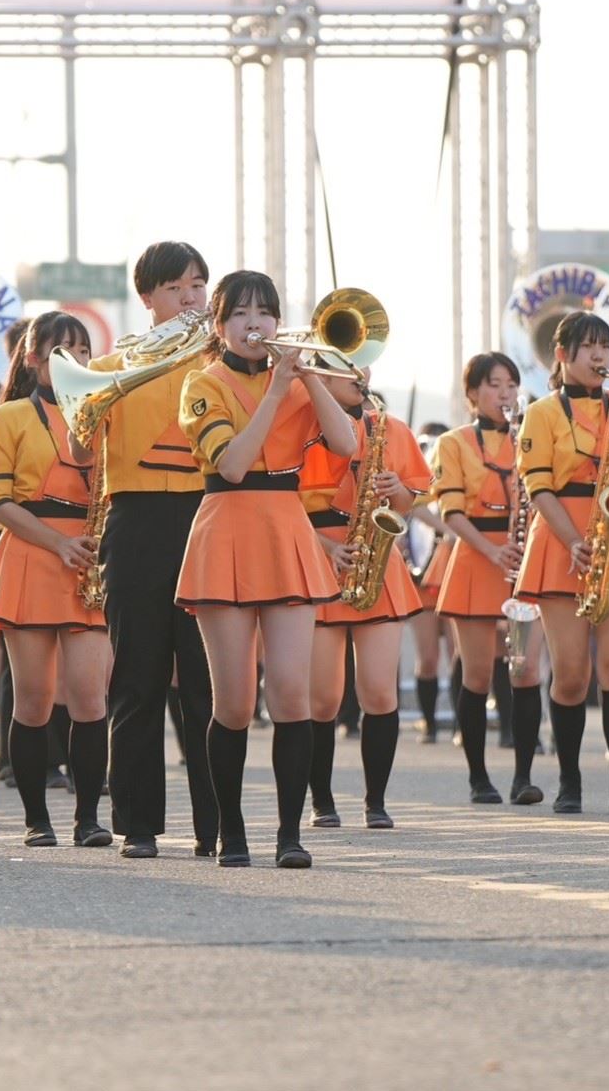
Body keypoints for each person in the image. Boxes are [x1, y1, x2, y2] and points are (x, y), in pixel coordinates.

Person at [176, 269, 357, 870]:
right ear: (220, 324)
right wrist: (279, 392)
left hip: (286, 532)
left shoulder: (299, 380)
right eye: (240, 314)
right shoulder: (203, 384)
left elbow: (347, 445)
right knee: (231, 703)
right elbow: (230, 464)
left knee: (291, 694)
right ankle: (232, 831)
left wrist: (310, 377)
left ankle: (288, 834)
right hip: (226, 527)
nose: (255, 324)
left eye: (266, 313)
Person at [93, 242, 220, 861]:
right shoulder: (114, 366)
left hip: (205, 515)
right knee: (137, 676)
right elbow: (79, 437)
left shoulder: (220, 360)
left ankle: (215, 825)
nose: (191, 297)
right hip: (137, 518)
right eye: (176, 287)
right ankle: (138, 824)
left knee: (206, 681)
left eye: (199, 284)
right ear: (148, 297)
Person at [515, 313, 609, 816]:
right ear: (562, 355)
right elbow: (538, 489)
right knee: (572, 674)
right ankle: (570, 781)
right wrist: (574, 540)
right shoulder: (540, 412)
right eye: (587, 348)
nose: (599, 357)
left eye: (605, 346)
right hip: (562, 539)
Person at [0, 312, 114, 847]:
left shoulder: (105, 414)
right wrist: (57, 542)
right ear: (33, 359)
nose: (75, 360)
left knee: (89, 699)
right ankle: (37, 818)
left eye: (83, 350)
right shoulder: (8, 416)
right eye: (61, 350)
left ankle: (88, 818)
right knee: (33, 700)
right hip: (34, 555)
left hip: (89, 559)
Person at [304, 366, 430, 829]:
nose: (359, 372)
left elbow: (411, 499)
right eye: (343, 364)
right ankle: (321, 800)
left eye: (362, 362)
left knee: (379, 691)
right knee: (322, 699)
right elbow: (279, 503)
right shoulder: (299, 424)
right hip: (320, 556)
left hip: (378, 561)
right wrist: (327, 548)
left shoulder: (389, 427)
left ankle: (375, 801)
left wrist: (400, 493)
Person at [431, 352, 531, 804]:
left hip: (523, 559)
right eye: (494, 384)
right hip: (476, 556)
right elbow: (450, 511)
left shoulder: (529, 436)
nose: (505, 393)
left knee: (526, 670)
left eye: (511, 383)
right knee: (476, 674)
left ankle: (524, 775)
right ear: (472, 393)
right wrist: (492, 550)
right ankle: (479, 777)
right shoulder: (453, 442)